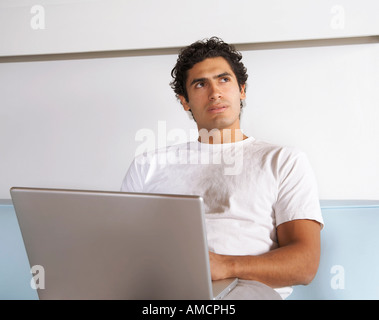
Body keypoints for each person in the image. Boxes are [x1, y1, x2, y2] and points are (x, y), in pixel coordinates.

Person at [121, 37, 324, 299]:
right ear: (185, 101)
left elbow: (305, 264)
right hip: (165, 288)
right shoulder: (146, 166)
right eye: (200, 84)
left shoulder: (283, 160)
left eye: (224, 79)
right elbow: (123, 251)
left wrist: (224, 266)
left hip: (245, 287)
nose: (215, 92)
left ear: (242, 90)